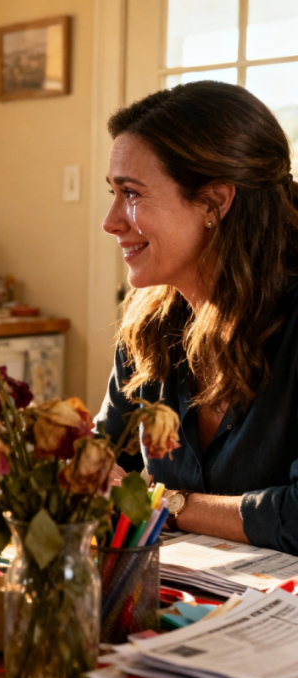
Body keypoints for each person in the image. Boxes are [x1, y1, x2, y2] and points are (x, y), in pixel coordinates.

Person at [96, 81, 298, 554]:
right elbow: (105, 463)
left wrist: (165, 505)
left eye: (131, 194)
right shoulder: (150, 325)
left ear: (213, 203)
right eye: (114, 192)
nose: (110, 221)